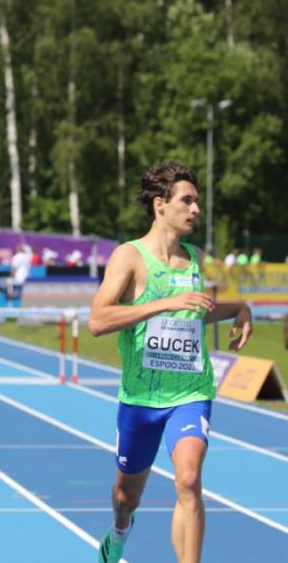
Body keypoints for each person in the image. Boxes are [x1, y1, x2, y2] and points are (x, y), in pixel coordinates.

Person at [88, 161, 252, 563]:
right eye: (188, 201)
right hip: (141, 399)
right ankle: (121, 529)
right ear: (161, 205)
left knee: (189, 480)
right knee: (127, 498)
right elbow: (97, 320)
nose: (196, 209)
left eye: (197, 201)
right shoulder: (130, 257)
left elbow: (195, 310)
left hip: (190, 392)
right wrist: (165, 302)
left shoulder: (196, 257)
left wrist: (239, 309)